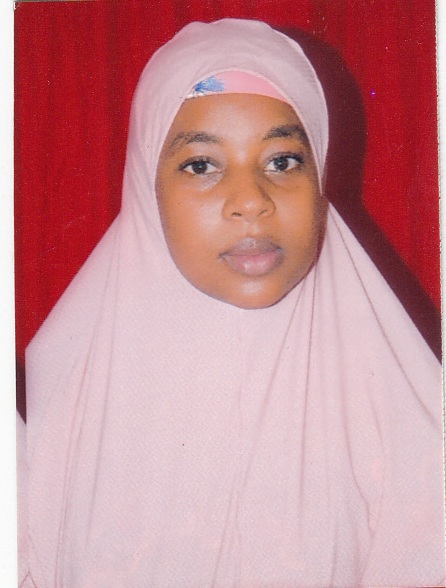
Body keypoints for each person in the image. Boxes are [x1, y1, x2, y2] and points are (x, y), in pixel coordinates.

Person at [18, 18, 444, 587]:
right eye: (201, 165)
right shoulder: (43, 428)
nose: (250, 201)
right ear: (147, 186)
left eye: (282, 161)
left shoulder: (411, 431)